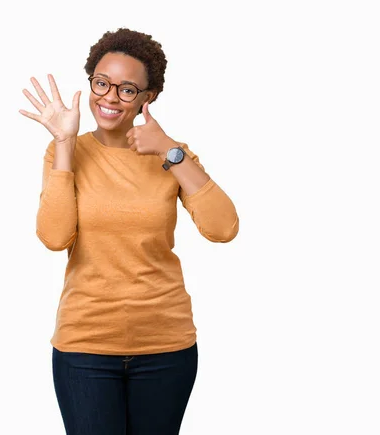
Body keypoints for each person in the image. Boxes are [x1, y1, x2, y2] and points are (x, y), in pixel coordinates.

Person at [19, 28, 239, 435]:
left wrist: (170, 151)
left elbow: (223, 228)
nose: (109, 97)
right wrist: (65, 143)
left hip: (166, 345)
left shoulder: (172, 155)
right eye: (101, 83)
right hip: (85, 345)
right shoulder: (64, 151)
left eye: (126, 89)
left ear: (147, 97)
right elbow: (54, 237)